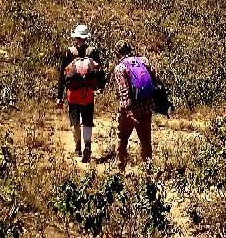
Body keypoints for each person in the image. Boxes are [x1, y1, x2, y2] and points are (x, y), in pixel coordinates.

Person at [57, 24, 103, 163]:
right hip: (88, 92)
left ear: (76, 37)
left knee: (75, 120)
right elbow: (100, 72)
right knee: (88, 120)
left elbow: (62, 76)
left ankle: (77, 148)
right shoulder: (93, 51)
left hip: (73, 93)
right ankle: (87, 145)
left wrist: (59, 96)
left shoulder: (69, 52)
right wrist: (100, 87)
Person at [113, 40, 159, 171]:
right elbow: (156, 78)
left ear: (118, 54)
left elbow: (124, 91)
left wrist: (127, 111)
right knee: (145, 139)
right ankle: (148, 168)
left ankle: (120, 168)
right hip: (146, 106)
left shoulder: (120, 68)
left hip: (130, 110)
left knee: (122, 138)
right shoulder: (143, 61)